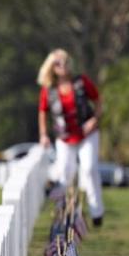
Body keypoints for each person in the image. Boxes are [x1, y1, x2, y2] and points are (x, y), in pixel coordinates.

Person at [37, 49, 104, 226]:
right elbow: (42, 112)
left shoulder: (81, 82)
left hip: (86, 133)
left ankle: (97, 211)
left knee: (89, 168)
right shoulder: (49, 89)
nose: (63, 66)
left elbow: (97, 100)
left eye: (65, 62)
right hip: (65, 136)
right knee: (66, 171)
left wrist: (94, 120)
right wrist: (43, 135)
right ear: (52, 68)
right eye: (58, 64)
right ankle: (63, 210)